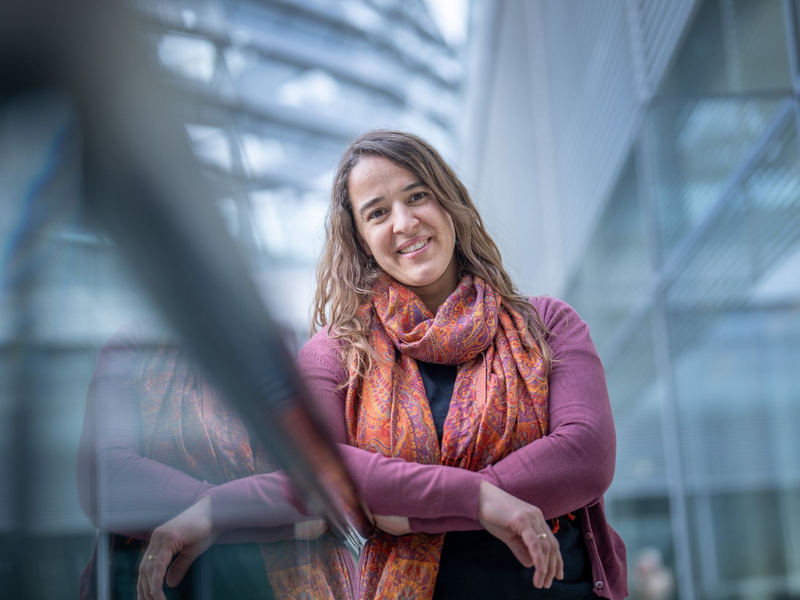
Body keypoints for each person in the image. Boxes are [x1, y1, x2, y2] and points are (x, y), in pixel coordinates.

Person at [297, 130, 628, 599]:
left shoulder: (548, 324)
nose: (405, 222)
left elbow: (586, 455)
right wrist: (481, 500)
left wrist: (413, 508)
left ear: (450, 203)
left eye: (418, 196)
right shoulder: (335, 353)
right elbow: (316, 469)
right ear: (359, 237)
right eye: (378, 212)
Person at [76, 322, 355, 600]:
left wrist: (212, 515)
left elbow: (325, 490)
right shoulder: (134, 343)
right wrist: (231, 513)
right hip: (164, 581)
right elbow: (107, 478)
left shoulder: (294, 347)